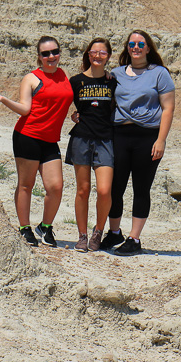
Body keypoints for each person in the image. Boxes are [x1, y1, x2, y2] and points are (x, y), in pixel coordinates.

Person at [0, 36, 73, 248]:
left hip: (50, 139)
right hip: (28, 135)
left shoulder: (64, 74)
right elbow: (25, 109)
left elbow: (66, 100)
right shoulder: (31, 78)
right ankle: (24, 228)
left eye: (54, 52)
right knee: (26, 185)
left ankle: (45, 226)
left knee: (56, 187)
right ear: (39, 57)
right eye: (45, 54)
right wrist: (4, 99)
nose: (51, 57)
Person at [100, 29, 175, 255]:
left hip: (147, 137)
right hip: (119, 135)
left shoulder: (160, 73)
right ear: (127, 48)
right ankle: (114, 233)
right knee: (116, 187)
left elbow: (168, 108)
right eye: (132, 44)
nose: (136, 48)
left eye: (141, 44)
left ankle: (134, 238)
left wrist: (161, 140)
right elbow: (104, 102)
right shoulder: (115, 74)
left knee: (141, 188)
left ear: (148, 48)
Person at [66, 38, 116, 253]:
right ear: (87, 54)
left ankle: (98, 231)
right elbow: (61, 103)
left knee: (104, 190)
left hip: (106, 139)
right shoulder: (75, 81)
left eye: (102, 53)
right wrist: (72, 115)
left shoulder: (113, 81)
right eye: (93, 52)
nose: (97, 56)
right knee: (83, 190)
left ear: (108, 57)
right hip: (82, 138)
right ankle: (82, 236)